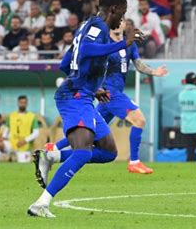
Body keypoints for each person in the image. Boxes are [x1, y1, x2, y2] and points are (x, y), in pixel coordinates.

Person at [27, 0, 145, 218]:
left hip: (83, 94)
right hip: (75, 97)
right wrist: (123, 43)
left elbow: (66, 61)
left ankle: (51, 156)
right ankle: (41, 203)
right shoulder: (99, 27)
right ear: (113, 9)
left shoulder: (88, 27)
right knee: (82, 152)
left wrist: (91, 86)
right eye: (122, 12)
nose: (122, 18)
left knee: (108, 152)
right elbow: (87, 50)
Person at [48, 20, 168, 174]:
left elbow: (137, 64)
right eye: (118, 20)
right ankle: (134, 162)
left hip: (109, 96)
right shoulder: (104, 44)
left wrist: (154, 72)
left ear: (125, 25)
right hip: (109, 92)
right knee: (139, 119)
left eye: (122, 21)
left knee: (91, 129)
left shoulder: (129, 44)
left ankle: (54, 150)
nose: (119, 23)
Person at [3, 96, 39, 163]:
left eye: (24, 102)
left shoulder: (32, 116)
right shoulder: (11, 115)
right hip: (11, 143)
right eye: (21, 102)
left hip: (24, 146)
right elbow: (6, 129)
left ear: (27, 104)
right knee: (0, 144)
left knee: (23, 164)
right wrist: (4, 137)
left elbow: (36, 132)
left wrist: (25, 140)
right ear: (18, 103)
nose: (22, 104)